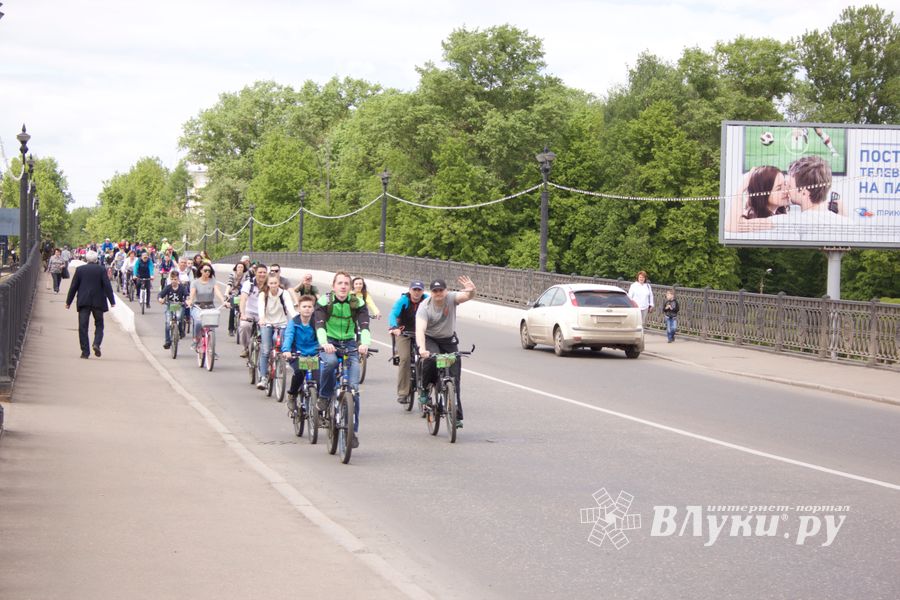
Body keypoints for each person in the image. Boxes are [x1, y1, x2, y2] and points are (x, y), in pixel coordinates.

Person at [315, 271, 370, 448]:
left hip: (349, 343)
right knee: (330, 363)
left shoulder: (357, 303)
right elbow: (320, 325)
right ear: (334, 286)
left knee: (353, 390)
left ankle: (352, 432)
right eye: (340, 283)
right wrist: (324, 343)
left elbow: (364, 326)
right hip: (329, 342)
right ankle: (324, 396)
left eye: (347, 283)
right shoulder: (325, 301)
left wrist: (364, 344)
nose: (344, 286)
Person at [416, 276, 476, 429]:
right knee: (430, 360)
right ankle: (424, 389)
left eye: (441, 290)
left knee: (455, 380)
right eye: (435, 291)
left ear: (446, 290)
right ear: (431, 292)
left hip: (448, 340)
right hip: (431, 339)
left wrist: (472, 290)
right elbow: (420, 330)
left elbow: (466, 296)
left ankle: (456, 415)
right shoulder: (424, 307)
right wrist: (422, 349)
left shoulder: (451, 298)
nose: (438, 293)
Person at [65, 251, 116, 358]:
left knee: (83, 327)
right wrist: (112, 301)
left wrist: (68, 302)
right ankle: (96, 343)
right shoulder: (102, 269)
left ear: (86, 259)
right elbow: (107, 285)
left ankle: (85, 352)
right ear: (96, 259)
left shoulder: (80, 270)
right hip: (98, 302)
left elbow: (74, 286)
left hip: (84, 301)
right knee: (99, 325)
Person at [388, 280, 428, 403]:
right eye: (414, 290)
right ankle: (403, 393)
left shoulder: (427, 300)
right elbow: (393, 314)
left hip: (421, 333)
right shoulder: (403, 300)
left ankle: (426, 390)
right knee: (404, 359)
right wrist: (394, 328)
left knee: (427, 358)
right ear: (410, 290)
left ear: (423, 291)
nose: (416, 293)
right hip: (404, 333)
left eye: (419, 290)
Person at [256, 272, 297, 390]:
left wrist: (296, 318)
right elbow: (260, 308)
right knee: (265, 349)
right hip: (267, 322)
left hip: (282, 323)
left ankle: (281, 363)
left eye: (275, 283)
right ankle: (263, 378)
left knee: (283, 346)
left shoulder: (284, 294)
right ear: (267, 284)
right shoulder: (263, 294)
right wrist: (262, 318)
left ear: (278, 283)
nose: (273, 285)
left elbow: (290, 308)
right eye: (271, 283)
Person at [282, 295, 320, 411]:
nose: (307, 309)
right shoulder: (294, 322)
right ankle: (292, 395)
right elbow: (288, 337)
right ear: (299, 308)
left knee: (319, 379)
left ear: (313, 309)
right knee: (299, 372)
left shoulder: (317, 323)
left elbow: (322, 338)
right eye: (304, 306)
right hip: (297, 354)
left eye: (310, 306)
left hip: (313, 355)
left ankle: (317, 405)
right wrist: (286, 350)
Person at [186, 262, 226, 350]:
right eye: (205, 270)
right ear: (201, 271)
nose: (207, 272)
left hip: (210, 306)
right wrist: (190, 302)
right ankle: (196, 340)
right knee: (198, 322)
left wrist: (223, 302)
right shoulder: (195, 282)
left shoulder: (213, 281)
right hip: (198, 306)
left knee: (212, 325)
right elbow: (192, 295)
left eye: (209, 270)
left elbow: (217, 292)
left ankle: (211, 349)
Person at [239, 264, 268, 358]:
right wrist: (243, 314)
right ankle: (246, 347)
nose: (262, 274)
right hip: (250, 312)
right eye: (260, 272)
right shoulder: (249, 283)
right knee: (244, 326)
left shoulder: (270, 284)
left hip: (264, 313)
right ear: (255, 273)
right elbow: (243, 299)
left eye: (264, 272)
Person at [157, 271, 189, 349]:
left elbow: (187, 295)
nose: (173, 281)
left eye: (175, 279)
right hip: (170, 305)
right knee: (168, 323)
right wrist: (160, 299)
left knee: (179, 317)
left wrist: (188, 300)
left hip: (179, 305)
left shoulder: (182, 287)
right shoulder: (168, 287)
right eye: (172, 279)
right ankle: (168, 341)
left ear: (178, 279)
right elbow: (160, 294)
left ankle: (181, 331)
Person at [226, 262, 248, 336]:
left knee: (244, 309)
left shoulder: (246, 275)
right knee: (232, 310)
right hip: (234, 293)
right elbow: (229, 284)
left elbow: (248, 284)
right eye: (238, 267)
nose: (240, 269)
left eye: (242, 267)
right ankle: (231, 329)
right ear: (236, 268)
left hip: (243, 294)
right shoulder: (232, 274)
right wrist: (226, 293)